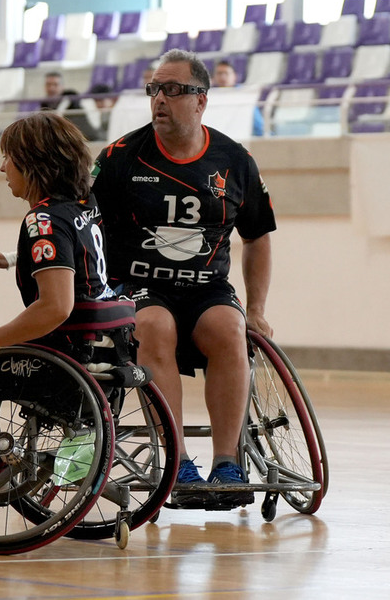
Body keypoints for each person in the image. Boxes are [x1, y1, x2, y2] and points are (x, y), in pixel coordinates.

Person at [91, 48, 276, 509]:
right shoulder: (118, 158)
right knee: (155, 326)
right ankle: (178, 462)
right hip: (137, 284)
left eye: (173, 90)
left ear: (201, 101)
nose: (160, 99)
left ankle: (228, 463)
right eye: (154, 89)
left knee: (231, 330)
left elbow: (257, 237)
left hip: (206, 287)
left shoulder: (234, 159)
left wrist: (256, 310)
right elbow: (79, 225)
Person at [0, 111, 129, 487]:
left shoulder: (43, 220)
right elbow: (77, 263)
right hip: (102, 360)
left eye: (8, 158)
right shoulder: (84, 205)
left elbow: (56, 307)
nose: (2, 168)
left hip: (61, 372)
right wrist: (11, 259)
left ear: (33, 164)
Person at [213, 59, 266, 136]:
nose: (222, 77)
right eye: (219, 73)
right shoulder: (210, 96)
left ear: (234, 76)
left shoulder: (244, 96)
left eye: (226, 73)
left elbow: (258, 125)